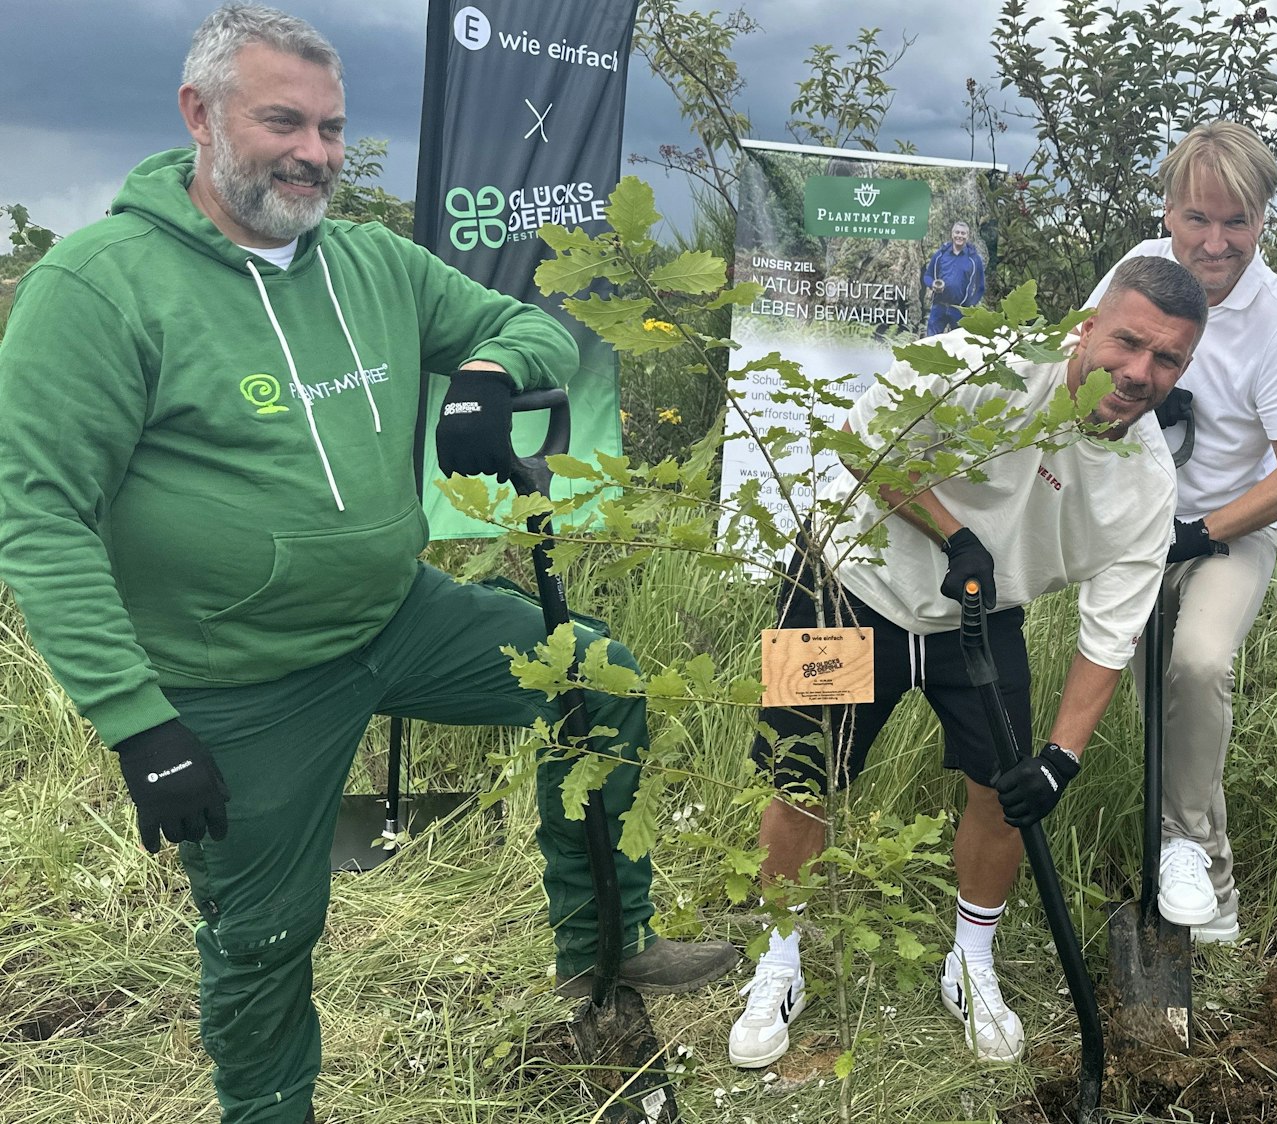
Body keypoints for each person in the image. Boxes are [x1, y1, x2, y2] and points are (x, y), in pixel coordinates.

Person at [0, 7, 735, 1122]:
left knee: (600, 679)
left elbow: (533, 328)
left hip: (397, 614)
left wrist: (487, 369)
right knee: (263, 936)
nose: (314, 152)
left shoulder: (370, 262)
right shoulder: (100, 288)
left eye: (334, 128)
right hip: (238, 679)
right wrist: (137, 723)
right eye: (283, 120)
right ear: (199, 116)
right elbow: (38, 515)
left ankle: (604, 946)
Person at [727, 255, 1207, 1069]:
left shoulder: (1147, 486)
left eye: (1167, 359)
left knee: (1004, 789)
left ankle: (971, 964)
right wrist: (952, 532)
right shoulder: (981, 364)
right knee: (803, 775)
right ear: (1087, 327)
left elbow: (1109, 637)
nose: (1139, 372)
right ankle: (779, 958)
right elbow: (860, 441)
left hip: (981, 618)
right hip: (847, 581)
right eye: (1128, 343)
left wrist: (1061, 759)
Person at [1082, 120, 1277, 943]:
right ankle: (1201, 877)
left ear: (1262, 219)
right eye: (1197, 219)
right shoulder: (1133, 277)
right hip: (1135, 521)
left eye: (1238, 222)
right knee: (1148, 681)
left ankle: (1190, 852)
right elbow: (1074, 373)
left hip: (1231, 526)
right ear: (1168, 211)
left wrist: (1196, 532)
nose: (1216, 243)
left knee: (1197, 663)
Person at [921, 220, 987, 336]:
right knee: (930, 344)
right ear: (952, 234)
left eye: (963, 233)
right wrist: (932, 284)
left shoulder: (974, 259)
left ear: (968, 236)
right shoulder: (940, 254)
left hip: (960, 310)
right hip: (939, 306)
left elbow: (980, 287)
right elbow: (927, 276)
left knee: (959, 346)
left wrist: (969, 306)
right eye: (957, 232)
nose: (959, 236)